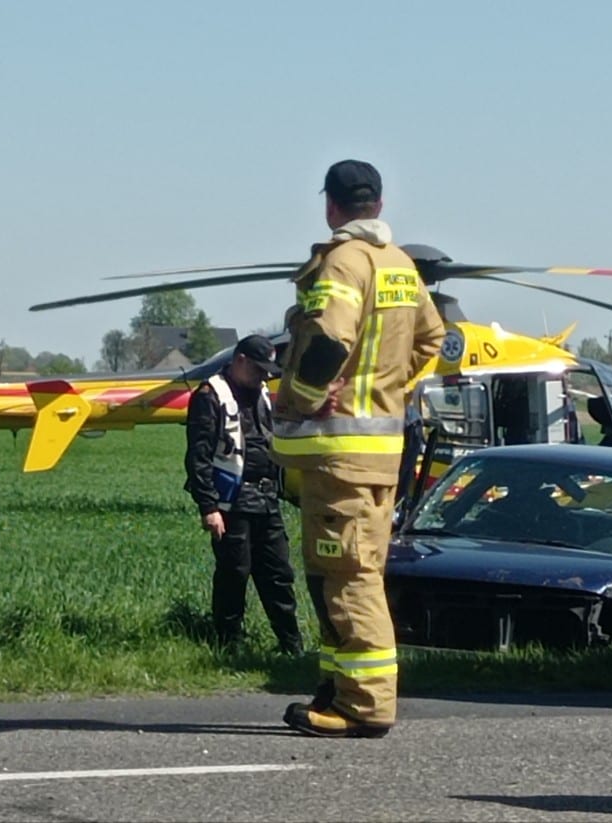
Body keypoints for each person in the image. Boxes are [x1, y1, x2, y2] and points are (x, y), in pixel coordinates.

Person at [271, 159, 446, 738]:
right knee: (334, 573)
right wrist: (386, 388)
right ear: (378, 202)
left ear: (331, 205)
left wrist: (303, 395)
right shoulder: (399, 265)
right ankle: (338, 688)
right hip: (376, 454)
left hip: (342, 453)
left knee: (348, 575)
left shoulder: (345, 261)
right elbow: (432, 339)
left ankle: (365, 705)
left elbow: (327, 338)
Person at [184, 334, 303, 656]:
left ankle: (292, 646)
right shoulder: (210, 395)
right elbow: (199, 456)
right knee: (234, 575)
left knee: (278, 574)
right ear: (240, 361)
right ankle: (228, 644)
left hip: (265, 497)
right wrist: (208, 507)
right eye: (259, 369)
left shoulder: (262, 392)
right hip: (230, 502)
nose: (264, 377)